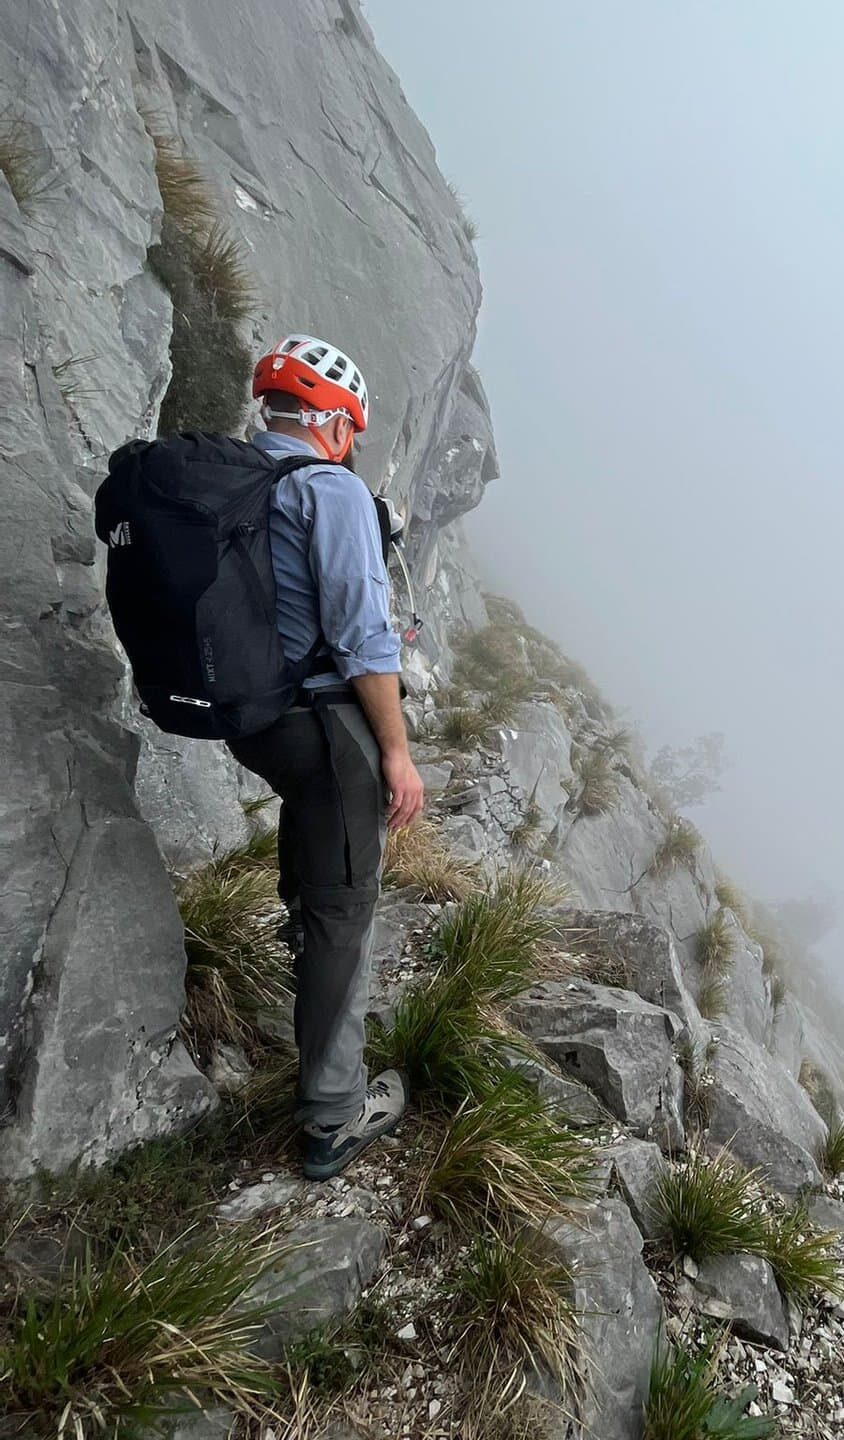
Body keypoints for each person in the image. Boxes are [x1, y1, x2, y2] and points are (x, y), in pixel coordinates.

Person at [230, 334, 424, 1179]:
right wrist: (398, 753)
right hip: (324, 724)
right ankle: (333, 1117)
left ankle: (300, 933)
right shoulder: (330, 490)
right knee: (346, 912)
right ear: (337, 425)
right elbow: (362, 639)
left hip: (253, 720)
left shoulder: (238, 481)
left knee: (314, 846)